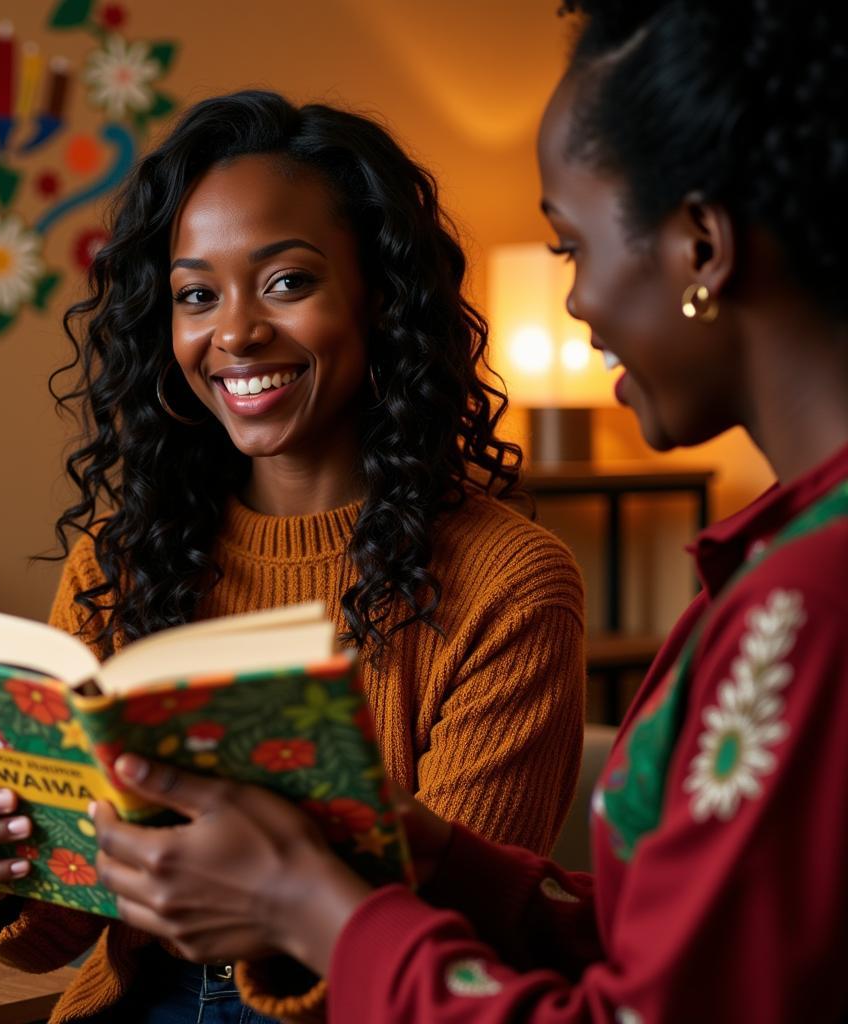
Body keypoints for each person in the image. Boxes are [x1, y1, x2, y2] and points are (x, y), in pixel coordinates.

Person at [71, 4, 848, 1022]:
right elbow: (666, 950)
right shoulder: (773, 569)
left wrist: (313, 906)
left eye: (568, 245)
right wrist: (433, 854)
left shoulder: (806, 598)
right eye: (193, 295)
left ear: (700, 243)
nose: (572, 305)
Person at [0, 91, 587, 1023]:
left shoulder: (510, 586)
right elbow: (63, 931)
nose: (234, 333)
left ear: (380, 297)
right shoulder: (121, 560)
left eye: (287, 282)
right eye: (195, 295)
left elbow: (446, 944)